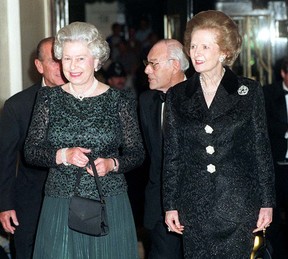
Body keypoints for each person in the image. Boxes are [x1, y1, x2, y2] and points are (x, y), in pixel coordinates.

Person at [24, 21, 145, 259]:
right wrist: (63, 155)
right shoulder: (48, 98)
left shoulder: (120, 100)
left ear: (96, 60)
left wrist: (113, 164)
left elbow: (137, 153)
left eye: (80, 58)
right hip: (60, 203)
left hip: (109, 202)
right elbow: (31, 151)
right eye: (67, 59)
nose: (72, 66)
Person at [163, 10, 275, 258]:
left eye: (205, 46)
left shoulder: (249, 92)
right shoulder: (177, 96)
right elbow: (172, 154)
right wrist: (170, 205)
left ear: (224, 51)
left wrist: (267, 202)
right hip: (194, 206)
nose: (197, 53)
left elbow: (261, 149)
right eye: (193, 46)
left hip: (238, 205)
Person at [0, 37, 66, 259]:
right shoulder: (17, 106)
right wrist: (5, 205)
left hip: (78, 201)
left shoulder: (88, 99)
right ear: (39, 66)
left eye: (64, 59)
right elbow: (5, 161)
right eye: (54, 61)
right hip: (32, 201)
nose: (62, 66)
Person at [139, 39, 189, 259]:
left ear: (175, 66)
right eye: (146, 63)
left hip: (199, 207)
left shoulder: (204, 97)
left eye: (153, 64)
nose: (146, 69)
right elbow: (145, 153)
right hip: (159, 207)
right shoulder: (146, 100)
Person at [263, 57, 288, 258]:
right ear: (283, 74)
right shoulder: (268, 94)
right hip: (275, 167)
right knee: (273, 220)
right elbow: (264, 128)